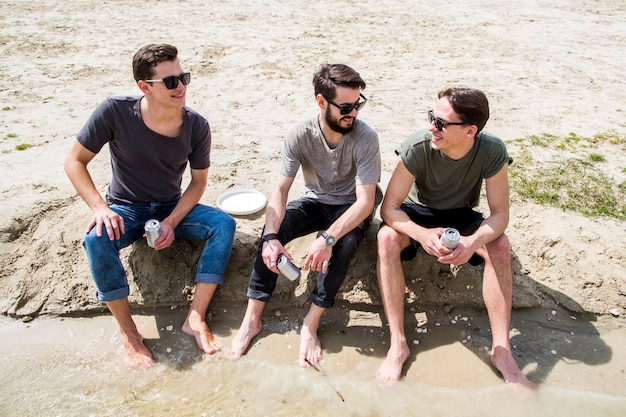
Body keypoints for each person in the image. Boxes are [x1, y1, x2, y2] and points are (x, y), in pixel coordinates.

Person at [64, 44, 236, 369]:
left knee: (223, 224)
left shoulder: (197, 126)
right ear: (145, 86)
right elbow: (74, 161)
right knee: (95, 239)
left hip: (170, 205)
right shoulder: (114, 111)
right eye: (170, 82)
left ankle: (195, 319)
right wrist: (100, 208)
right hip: (125, 207)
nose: (181, 87)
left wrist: (171, 221)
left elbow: (198, 183)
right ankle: (130, 335)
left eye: (183, 77)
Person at [375, 87, 534, 389]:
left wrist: (471, 242)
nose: (432, 127)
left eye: (441, 123)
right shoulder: (417, 146)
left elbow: (500, 214)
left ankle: (502, 351)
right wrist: (421, 235)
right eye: (432, 117)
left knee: (500, 245)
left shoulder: (492, 151)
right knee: (385, 239)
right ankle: (398, 344)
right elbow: (389, 208)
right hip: (416, 211)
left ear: (470, 130)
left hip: (461, 212)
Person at [229, 64, 382, 367]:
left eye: (358, 104)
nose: (353, 113)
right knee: (272, 230)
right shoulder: (300, 134)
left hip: (352, 205)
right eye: (346, 107)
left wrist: (327, 238)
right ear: (321, 102)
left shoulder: (366, 137)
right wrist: (272, 236)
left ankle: (310, 323)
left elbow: (365, 203)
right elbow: (280, 191)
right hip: (316, 200)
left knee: (345, 244)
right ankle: (252, 319)